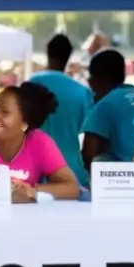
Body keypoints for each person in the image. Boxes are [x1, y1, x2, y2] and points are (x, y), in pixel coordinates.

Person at [0, 83, 80, 203]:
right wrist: (8, 193)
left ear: (24, 124)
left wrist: (31, 191)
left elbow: (72, 188)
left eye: (5, 112)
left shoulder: (40, 142)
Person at [28, 35, 92, 193]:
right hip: (71, 169)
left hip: (35, 168)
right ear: (68, 56)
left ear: (47, 54)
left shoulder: (31, 84)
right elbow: (88, 131)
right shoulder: (82, 92)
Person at [81, 49, 134, 176]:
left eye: (91, 81)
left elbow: (89, 152)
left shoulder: (107, 102)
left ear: (100, 79)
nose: (91, 87)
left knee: (99, 161)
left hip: (129, 179)